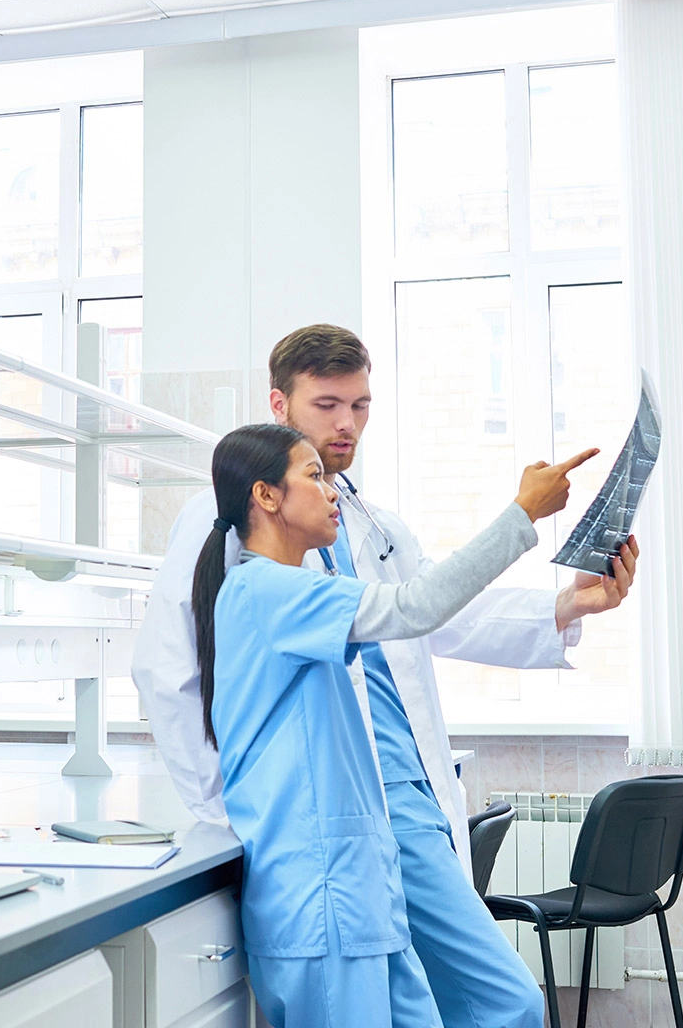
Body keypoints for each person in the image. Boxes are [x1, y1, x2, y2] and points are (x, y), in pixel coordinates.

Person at [134, 324, 639, 1028]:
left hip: (391, 805)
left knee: (485, 1003)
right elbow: (167, 671)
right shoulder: (230, 531)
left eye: (361, 406)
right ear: (279, 405)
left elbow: (436, 612)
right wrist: (228, 810)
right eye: (328, 405)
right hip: (319, 826)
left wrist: (565, 606)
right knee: (487, 1002)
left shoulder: (367, 522)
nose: (346, 425)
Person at [197, 422, 591, 1028]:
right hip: (321, 902)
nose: (333, 492)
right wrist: (521, 516)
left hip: (365, 894)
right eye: (314, 476)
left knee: (508, 1006)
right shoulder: (265, 591)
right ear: (266, 496)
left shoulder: (304, 588)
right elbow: (414, 607)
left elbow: (429, 616)